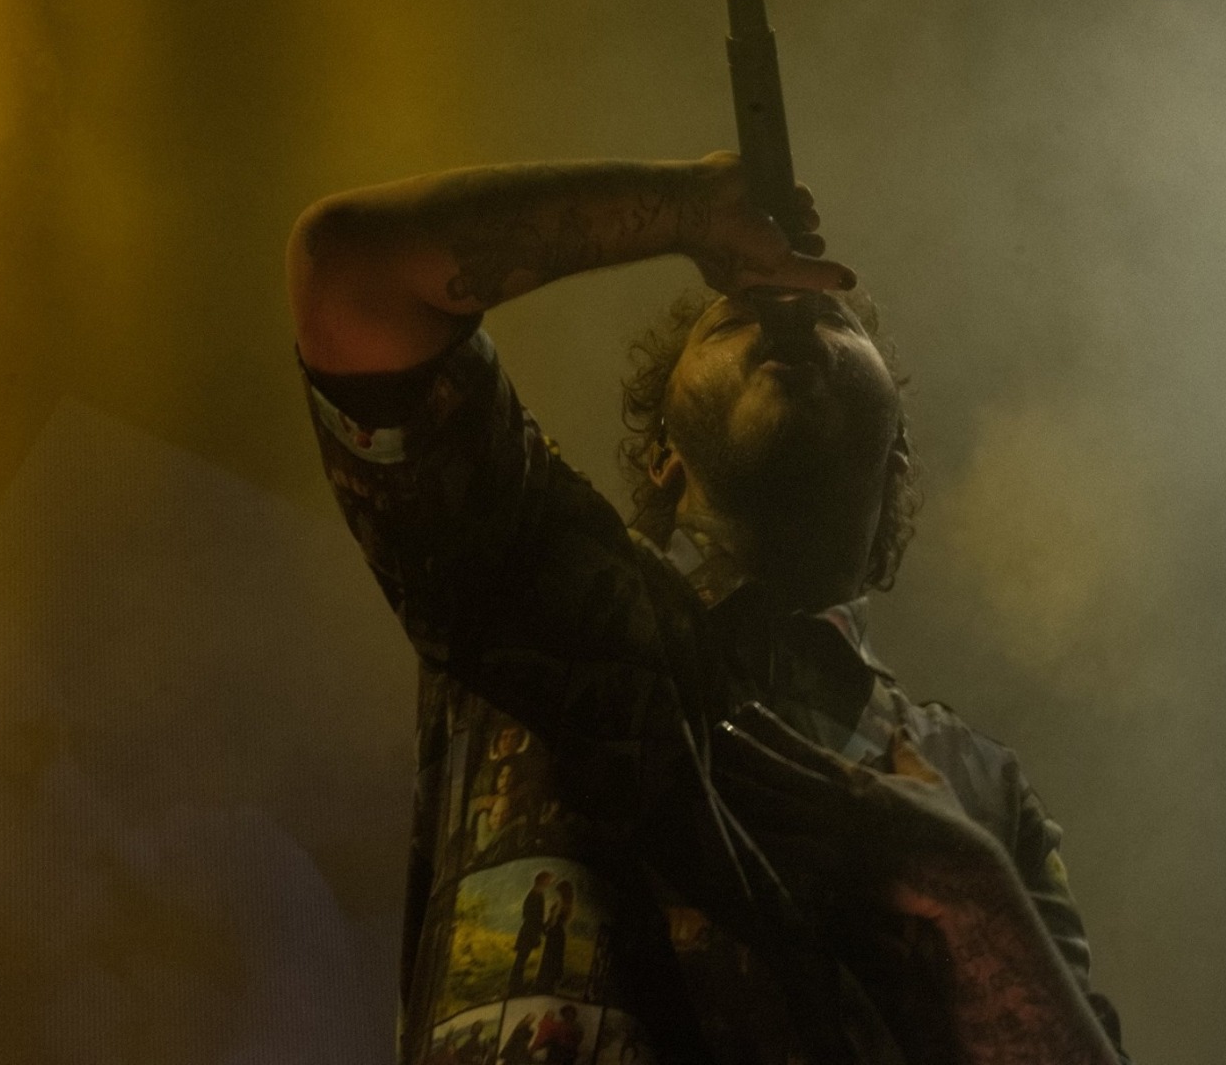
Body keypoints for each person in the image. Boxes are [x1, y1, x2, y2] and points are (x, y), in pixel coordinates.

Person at [288, 152, 1130, 1064]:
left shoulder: (978, 786)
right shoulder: (532, 579)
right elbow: (352, 272)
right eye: (736, 314)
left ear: (895, 459)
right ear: (663, 455)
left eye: (831, 316)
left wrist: (966, 892)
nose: (788, 311)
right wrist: (686, 210)